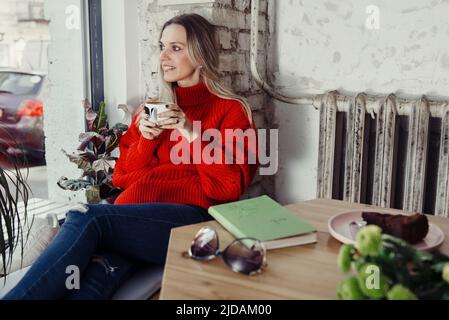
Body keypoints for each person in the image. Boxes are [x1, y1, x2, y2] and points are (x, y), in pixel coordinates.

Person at [2, 13, 258, 300]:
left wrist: (191, 133)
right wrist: (146, 140)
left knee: (88, 217)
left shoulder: (231, 111)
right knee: (97, 274)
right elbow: (124, 178)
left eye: (176, 48)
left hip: (191, 222)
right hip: (132, 222)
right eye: (162, 47)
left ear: (200, 55)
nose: (163, 57)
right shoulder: (152, 110)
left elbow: (226, 189)